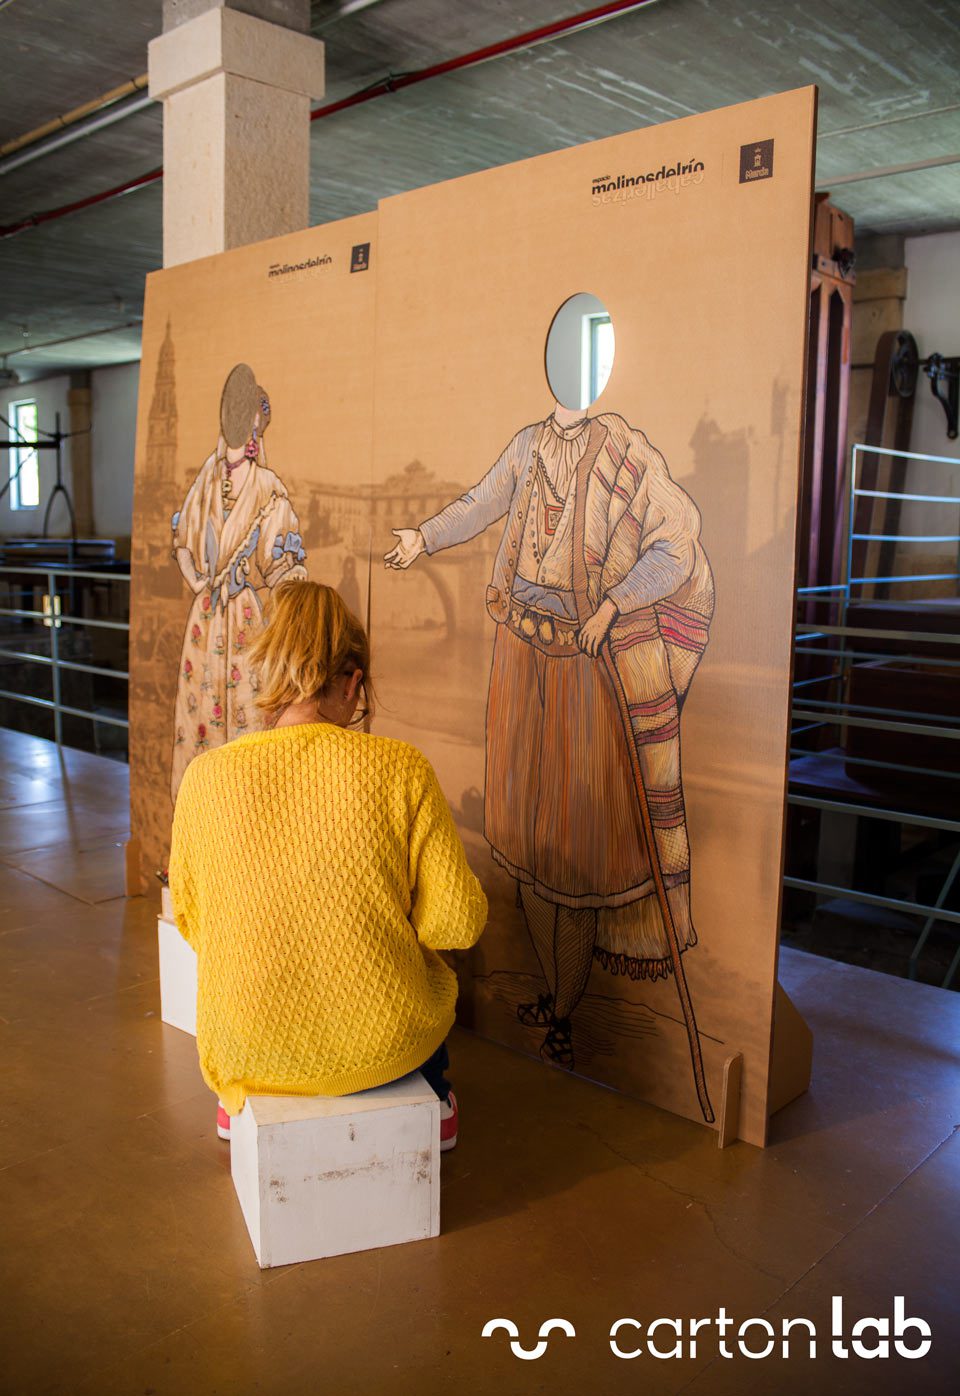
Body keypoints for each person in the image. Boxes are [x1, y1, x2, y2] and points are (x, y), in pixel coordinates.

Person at [385, 398, 713, 1076]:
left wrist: (616, 603)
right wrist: (424, 537)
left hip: (583, 668)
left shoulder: (622, 453)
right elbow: (482, 503)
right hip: (520, 657)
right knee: (526, 845)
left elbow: (678, 538)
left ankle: (565, 1009)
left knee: (575, 856)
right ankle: (555, 996)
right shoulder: (530, 446)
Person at [168, 580, 488, 1150]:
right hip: (385, 1048)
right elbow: (455, 924)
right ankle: (433, 1104)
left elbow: (193, 920)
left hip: (245, 1051)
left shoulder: (205, 778)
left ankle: (242, 1107)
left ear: (268, 674)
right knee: (423, 1003)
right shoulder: (400, 768)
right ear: (352, 681)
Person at [170, 364, 307, 804]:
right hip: (207, 617)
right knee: (202, 716)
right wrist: (201, 584)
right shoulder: (207, 479)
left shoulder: (266, 487)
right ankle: (202, 810)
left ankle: (248, 808)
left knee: (248, 710)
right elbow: (184, 542)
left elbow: (279, 565)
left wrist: (296, 606)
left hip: (242, 616)